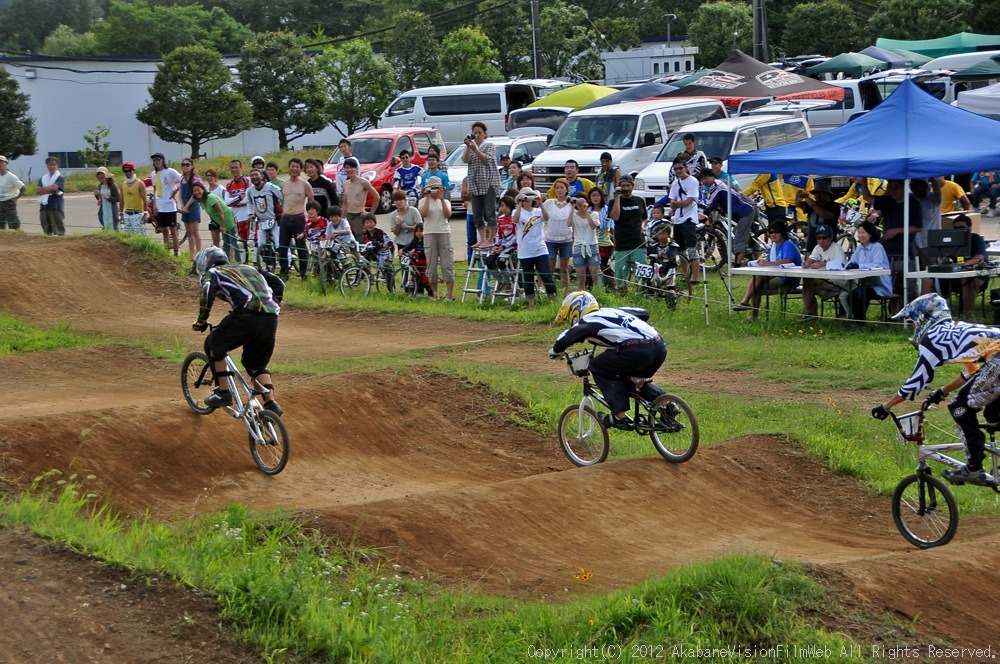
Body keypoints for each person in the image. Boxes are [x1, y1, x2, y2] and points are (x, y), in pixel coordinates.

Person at [872, 293, 1000, 486]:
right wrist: (942, 391)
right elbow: (970, 371)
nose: (914, 329)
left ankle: (974, 468)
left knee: (960, 408)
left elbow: (917, 381)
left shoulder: (932, 338)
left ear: (923, 319)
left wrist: (886, 406)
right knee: (992, 412)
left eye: (913, 323)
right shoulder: (956, 329)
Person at [549, 291, 667, 429]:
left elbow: (566, 337)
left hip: (637, 350)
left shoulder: (589, 319)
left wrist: (555, 351)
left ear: (575, 309)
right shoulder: (612, 312)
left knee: (597, 366)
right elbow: (644, 313)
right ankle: (668, 405)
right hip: (659, 347)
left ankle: (619, 417)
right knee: (631, 380)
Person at [191, 246, 284, 416]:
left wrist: (201, 320)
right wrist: (274, 305)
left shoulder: (214, 273)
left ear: (204, 263)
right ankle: (270, 403)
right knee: (255, 364)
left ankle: (223, 392)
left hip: (247, 314)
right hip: (271, 318)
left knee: (213, 343)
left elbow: (206, 292)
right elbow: (279, 283)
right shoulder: (248, 268)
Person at [733, 220, 802, 316]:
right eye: (771, 232)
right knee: (757, 277)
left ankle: (750, 310)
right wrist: (761, 263)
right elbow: (769, 263)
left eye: (776, 232)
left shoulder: (788, 244)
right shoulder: (774, 246)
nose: (773, 234)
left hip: (788, 279)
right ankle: (745, 302)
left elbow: (787, 261)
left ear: (783, 233)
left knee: (757, 290)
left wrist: (767, 263)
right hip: (776, 275)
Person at [699, 168, 755, 266]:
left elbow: (712, 203)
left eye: (706, 178)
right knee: (737, 236)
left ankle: (737, 265)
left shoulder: (718, 186)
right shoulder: (714, 186)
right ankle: (745, 256)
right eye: (702, 179)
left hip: (745, 212)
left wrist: (705, 210)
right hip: (738, 214)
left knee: (739, 240)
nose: (704, 181)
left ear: (713, 176)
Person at [512, 186, 557, 305]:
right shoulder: (517, 211)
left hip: (540, 247)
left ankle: (552, 300)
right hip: (525, 249)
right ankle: (530, 302)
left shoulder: (538, 211)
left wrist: (540, 204)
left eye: (529, 197)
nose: (527, 200)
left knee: (547, 275)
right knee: (528, 278)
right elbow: (515, 220)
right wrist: (520, 205)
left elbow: (547, 218)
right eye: (525, 197)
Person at [463, 121, 502, 249]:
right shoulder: (470, 146)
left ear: (485, 134)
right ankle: (483, 239)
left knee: (490, 212)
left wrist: (475, 149)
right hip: (474, 183)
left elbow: (487, 159)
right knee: (477, 214)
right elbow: (466, 160)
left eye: (480, 133)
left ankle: (490, 239)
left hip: (488, 181)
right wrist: (469, 147)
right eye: (475, 133)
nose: (477, 135)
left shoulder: (489, 145)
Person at [798, 224, 847, 321]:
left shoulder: (836, 248)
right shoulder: (817, 247)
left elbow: (842, 264)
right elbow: (813, 258)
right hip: (823, 280)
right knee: (807, 281)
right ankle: (810, 312)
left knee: (809, 285)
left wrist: (823, 263)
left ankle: (810, 313)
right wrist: (808, 263)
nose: (821, 240)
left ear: (831, 238)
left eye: (824, 238)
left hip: (837, 283)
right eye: (818, 238)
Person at [943, 214, 988, 319]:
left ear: (969, 228)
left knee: (967, 279)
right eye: (956, 228)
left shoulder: (976, 239)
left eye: (962, 227)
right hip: (953, 277)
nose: (958, 230)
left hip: (975, 276)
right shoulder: (951, 240)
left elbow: (979, 257)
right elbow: (944, 257)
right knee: (928, 280)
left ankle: (969, 317)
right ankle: (928, 316)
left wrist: (963, 265)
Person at [417, 175, 455, 300]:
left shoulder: (446, 202)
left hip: (444, 232)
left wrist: (442, 199)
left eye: (436, 188)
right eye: (431, 188)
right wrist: (427, 197)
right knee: (432, 265)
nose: (434, 190)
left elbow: (447, 214)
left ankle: (450, 294)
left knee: (447, 264)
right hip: (429, 233)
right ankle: (434, 294)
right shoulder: (423, 201)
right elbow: (424, 214)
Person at [609, 175, 647, 292]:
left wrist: (642, 226)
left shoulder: (639, 201)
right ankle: (622, 294)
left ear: (632, 186)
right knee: (620, 274)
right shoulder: (613, 202)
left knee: (641, 273)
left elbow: (645, 218)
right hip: (622, 243)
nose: (625, 188)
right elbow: (615, 217)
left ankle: (640, 293)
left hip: (638, 242)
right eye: (623, 186)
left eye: (628, 186)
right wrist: (617, 198)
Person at [847, 220, 892, 320]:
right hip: (865, 284)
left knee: (863, 295)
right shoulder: (859, 249)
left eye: (863, 232)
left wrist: (859, 266)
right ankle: (857, 319)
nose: (860, 235)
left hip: (879, 284)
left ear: (870, 234)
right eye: (859, 233)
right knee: (851, 295)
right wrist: (847, 265)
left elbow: (877, 265)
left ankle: (860, 321)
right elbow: (852, 262)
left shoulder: (877, 247)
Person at [279, 158, 315, 280]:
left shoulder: (305, 184)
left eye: (297, 167)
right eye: (292, 166)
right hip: (285, 219)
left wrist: (311, 218)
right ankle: (284, 272)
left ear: (300, 170)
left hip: (299, 219)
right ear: (289, 168)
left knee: (301, 247)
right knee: (283, 247)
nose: (294, 169)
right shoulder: (283, 185)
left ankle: (304, 273)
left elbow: (312, 203)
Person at [668, 159, 701, 286]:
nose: (678, 171)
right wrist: (676, 204)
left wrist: (676, 204)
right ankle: (686, 275)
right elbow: (672, 202)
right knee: (680, 249)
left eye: (680, 168)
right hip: (678, 220)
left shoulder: (693, 181)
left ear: (685, 167)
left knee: (692, 248)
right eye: (675, 169)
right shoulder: (675, 183)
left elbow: (688, 202)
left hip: (689, 219)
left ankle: (696, 278)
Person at [541, 178, 575, 290]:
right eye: (557, 188)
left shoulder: (571, 204)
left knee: (564, 267)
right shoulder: (549, 203)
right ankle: (549, 290)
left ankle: (566, 291)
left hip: (566, 239)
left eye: (562, 187)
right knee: (550, 266)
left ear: (566, 190)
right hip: (550, 239)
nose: (559, 190)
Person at [192, 181, 239, 261]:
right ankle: (226, 262)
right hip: (220, 221)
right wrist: (214, 221)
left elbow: (221, 212)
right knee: (226, 243)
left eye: (198, 190)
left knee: (233, 242)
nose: (197, 192)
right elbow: (210, 212)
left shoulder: (211, 198)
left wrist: (223, 226)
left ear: (203, 190)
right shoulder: (201, 202)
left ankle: (239, 261)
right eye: (195, 191)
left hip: (228, 218)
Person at [247, 169, 283, 270]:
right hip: (261, 221)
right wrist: (250, 214)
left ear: (262, 176)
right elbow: (249, 202)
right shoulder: (250, 190)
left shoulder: (270, 187)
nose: (254, 177)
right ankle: (267, 265)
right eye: (252, 175)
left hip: (275, 219)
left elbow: (282, 196)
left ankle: (286, 265)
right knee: (261, 244)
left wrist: (284, 209)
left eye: (256, 175)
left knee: (278, 243)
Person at [795, 178, 839, 252]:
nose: (818, 195)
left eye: (821, 193)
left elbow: (827, 215)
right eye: (816, 193)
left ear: (827, 194)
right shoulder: (811, 205)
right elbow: (799, 204)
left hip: (828, 247)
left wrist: (814, 206)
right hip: (812, 245)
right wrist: (800, 196)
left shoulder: (833, 206)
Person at [149, 153, 181, 254]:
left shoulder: (170, 171)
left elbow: (181, 179)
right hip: (160, 205)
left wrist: (175, 189)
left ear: (163, 160)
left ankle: (176, 252)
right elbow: (155, 189)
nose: (156, 162)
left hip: (170, 206)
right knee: (164, 231)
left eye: (158, 159)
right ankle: (166, 252)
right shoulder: (154, 174)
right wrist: (154, 205)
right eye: (154, 160)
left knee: (173, 230)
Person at [485, 195, 518, 292]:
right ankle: (501, 281)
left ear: (511, 206)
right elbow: (498, 234)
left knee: (501, 260)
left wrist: (504, 246)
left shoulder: (515, 218)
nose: (503, 208)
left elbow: (516, 235)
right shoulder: (500, 219)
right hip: (501, 244)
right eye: (501, 206)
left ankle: (509, 283)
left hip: (513, 246)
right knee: (489, 261)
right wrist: (496, 245)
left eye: (506, 206)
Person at [341, 157, 379, 239]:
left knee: (361, 240)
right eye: (347, 168)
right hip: (349, 216)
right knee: (350, 241)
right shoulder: (345, 184)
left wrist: (370, 213)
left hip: (360, 216)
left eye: (352, 167)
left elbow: (377, 197)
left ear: (356, 169)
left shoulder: (363, 182)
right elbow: (345, 203)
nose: (349, 170)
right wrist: (342, 219)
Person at [569, 193, 599, 290]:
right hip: (578, 246)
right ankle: (581, 295)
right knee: (580, 279)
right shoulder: (574, 215)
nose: (581, 204)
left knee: (595, 277)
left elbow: (593, 226)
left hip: (592, 245)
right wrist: (572, 207)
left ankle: (598, 296)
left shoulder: (594, 214)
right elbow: (568, 224)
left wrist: (586, 211)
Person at [225, 160, 252, 263]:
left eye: (236, 167)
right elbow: (226, 202)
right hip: (236, 217)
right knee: (240, 243)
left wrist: (234, 199)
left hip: (248, 215)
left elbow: (247, 199)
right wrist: (239, 198)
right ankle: (244, 263)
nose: (234, 170)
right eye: (232, 168)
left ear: (241, 168)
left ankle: (256, 263)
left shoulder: (247, 181)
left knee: (251, 243)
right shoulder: (229, 185)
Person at [590, 186, 615, 289]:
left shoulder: (608, 210)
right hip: (591, 242)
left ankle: (610, 287)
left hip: (606, 242)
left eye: (597, 195)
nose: (595, 198)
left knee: (605, 267)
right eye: (593, 195)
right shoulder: (588, 210)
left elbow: (612, 226)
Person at [402, 223, 433, 298]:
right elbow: (409, 246)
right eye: (417, 231)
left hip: (426, 263)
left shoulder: (426, 241)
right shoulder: (415, 241)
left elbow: (424, 249)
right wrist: (402, 250)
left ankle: (431, 293)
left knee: (426, 280)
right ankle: (417, 293)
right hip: (417, 263)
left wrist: (415, 250)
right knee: (415, 278)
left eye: (421, 231)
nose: (418, 233)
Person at [38, 156, 66, 236]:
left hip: (56, 205)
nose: (52, 167)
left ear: (57, 166)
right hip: (44, 206)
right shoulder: (42, 178)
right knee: (46, 227)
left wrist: (44, 189)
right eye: (50, 165)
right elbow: (38, 191)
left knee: (58, 227)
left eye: (54, 165)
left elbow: (55, 188)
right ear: (47, 165)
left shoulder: (60, 178)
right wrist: (50, 189)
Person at [119, 162, 148, 234]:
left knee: (140, 237)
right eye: (125, 171)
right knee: (128, 238)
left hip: (137, 214)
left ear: (133, 170)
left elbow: (145, 200)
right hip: (127, 214)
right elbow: (121, 200)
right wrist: (121, 213)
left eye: (130, 170)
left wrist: (145, 214)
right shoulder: (123, 185)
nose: (128, 173)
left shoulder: (140, 183)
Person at [0, 155, 25, 230]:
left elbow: (23, 187)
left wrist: (17, 198)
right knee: (1, 223)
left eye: (2, 162)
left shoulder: (11, 176)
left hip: (9, 201)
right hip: (0, 201)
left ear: (5, 164)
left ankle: (19, 236)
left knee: (13, 222)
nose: (0, 164)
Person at [93, 167, 120, 232]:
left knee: (114, 227)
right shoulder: (100, 186)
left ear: (106, 177)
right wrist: (96, 195)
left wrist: (108, 197)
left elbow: (118, 198)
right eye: (99, 178)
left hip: (111, 210)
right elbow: (100, 199)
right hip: (103, 209)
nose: (100, 180)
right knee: (105, 227)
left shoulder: (113, 186)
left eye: (102, 178)